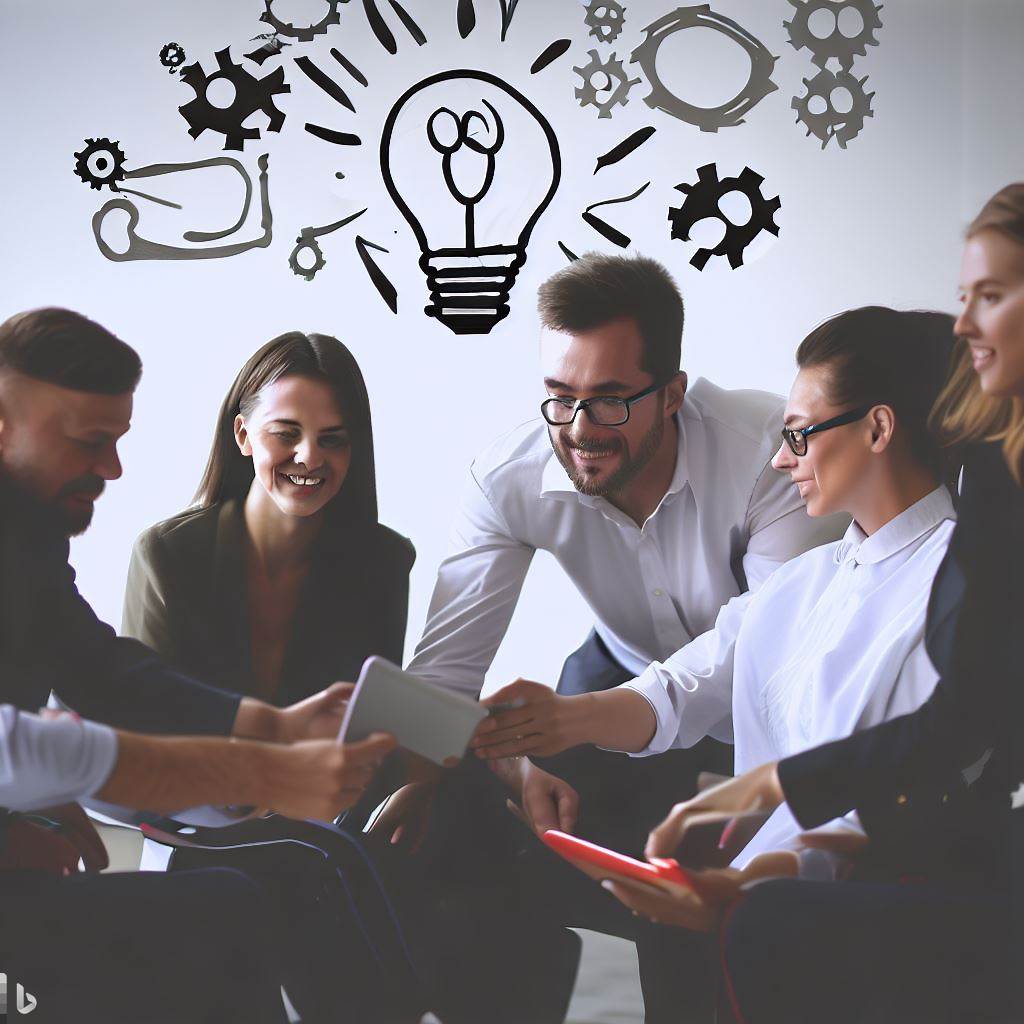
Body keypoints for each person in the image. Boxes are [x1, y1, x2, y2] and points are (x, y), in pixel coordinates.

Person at [385, 253, 847, 1022]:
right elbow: (445, 673)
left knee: (693, 901)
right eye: (559, 399)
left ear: (672, 394)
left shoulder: (771, 448)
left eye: (608, 401)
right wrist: (493, 766)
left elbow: (763, 647)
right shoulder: (508, 476)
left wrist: (581, 718)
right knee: (458, 822)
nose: (579, 430)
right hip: (615, 676)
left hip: (758, 714)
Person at [609, 185, 1024, 1023]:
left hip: (965, 849)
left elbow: (967, 751)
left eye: (991, 296)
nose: (966, 326)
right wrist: (769, 803)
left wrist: (778, 832)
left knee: (765, 920)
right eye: (963, 299)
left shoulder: (969, 526)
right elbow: (960, 732)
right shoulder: (990, 483)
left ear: (875, 429)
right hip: (944, 832)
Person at [0, 307, 399, 1024]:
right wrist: (258, 769)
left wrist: (268, 727)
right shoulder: (165, 550)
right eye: (90, 441)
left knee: (243, 900)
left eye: (117, 441)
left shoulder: (29, 535)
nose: (113, 468)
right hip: (181, 818)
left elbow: (103, 672)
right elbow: (34, 740)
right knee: (255, 890)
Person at [497, 306, 959, 868]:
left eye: (798, 434)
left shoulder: (956, 587)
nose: (782, 458)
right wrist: (560, 719)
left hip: (859, 907)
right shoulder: (805, 581)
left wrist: (746, 890)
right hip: (766, 893)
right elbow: (680, 689)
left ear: (878, 428)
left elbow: (897, 804)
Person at [122, 331, 414, 708]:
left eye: (332, 439)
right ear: (243, 435)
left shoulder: (386, 560)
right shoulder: (166, 554)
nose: (309, 457)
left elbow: (372, 723)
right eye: (285, 433)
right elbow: (142, 721)